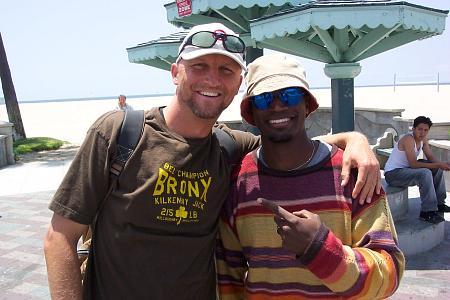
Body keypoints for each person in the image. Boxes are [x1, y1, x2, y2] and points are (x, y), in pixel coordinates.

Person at [44, 23, 381, 299]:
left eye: (226, 70)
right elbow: (59, 238)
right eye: (199, 67)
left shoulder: (229, 146)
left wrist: (354, 140)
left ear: (237, 86)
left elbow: (289, 139)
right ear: (175, 72)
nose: (212, 80)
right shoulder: (119, 134)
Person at [216, 54, 405, 299]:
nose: (277, 106)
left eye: (289, 95)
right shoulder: (239, 183)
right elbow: (229, 281)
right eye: (263, 100)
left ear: (307, 105)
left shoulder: (353, 174)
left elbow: (389, 274)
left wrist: (319, 248)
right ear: (250, 113)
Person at [385, 116, 450, 224]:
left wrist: (442, 164)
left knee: (436, 168)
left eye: (425, 130)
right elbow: (414, 164)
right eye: (419, 129)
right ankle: (427, 212)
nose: (422, 133)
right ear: (413, 129)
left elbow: (430, 156)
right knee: (425, 173)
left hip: (406, 170)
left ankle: (439, 204)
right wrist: (439, 164)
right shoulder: (408, 139)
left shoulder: (423, 139)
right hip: (393, 174)